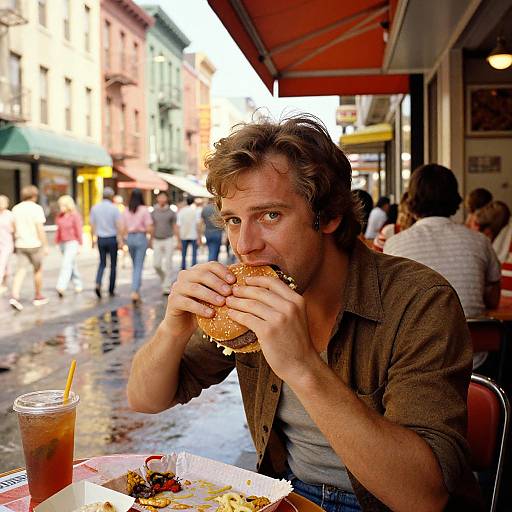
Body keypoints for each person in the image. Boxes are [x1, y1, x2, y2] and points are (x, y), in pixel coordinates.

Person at [127, 117, 482, 511]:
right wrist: (173, 327)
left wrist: (302, 366)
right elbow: (145, 399)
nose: (245, 245)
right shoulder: (245, 304)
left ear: (328, 216)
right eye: (233, 220)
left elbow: (423, 497)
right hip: (286, 494)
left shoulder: (420, 301)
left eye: (270, 216)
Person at [384, 164, 501, 319]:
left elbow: (392, 301)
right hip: (475, 339)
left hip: (419, 340)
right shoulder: (481, 241)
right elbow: (493, 299)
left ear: (411, 200)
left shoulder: (394, 244)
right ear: (454, 199)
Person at [9, 186, 49, 311]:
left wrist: (15, 241)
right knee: (37, 270)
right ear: (34, 196)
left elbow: (13, 228)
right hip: (34, 244)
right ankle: (38, 296)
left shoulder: (16, 208)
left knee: (20, 270)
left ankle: (15, 296)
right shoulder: (36, 209)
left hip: (20, 244)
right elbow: (40, 229)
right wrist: (45, 245)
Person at [121, 189, 153, 304]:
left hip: (130, 238)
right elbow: (149, 227)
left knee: (135, 265)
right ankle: (134, 291)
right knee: (138, 266)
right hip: (140, 237)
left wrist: (122, 241)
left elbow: (123, 228)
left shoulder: (126, 210)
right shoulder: (144, 210)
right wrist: (150, 239)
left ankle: (137, 290)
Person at [89, 187, 122, 298]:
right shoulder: (114, 208)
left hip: (101, 238)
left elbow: (92, 225)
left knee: (102, 263)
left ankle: (98, 283)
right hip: (112, 239)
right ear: (112, 196)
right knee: (113, 265)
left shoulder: (95, 208)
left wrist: (92, 240)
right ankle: (111, 289)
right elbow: (118, 225)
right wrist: (121, 240)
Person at [55, 195, 83, 297]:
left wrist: (80, 244)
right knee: (72, 264)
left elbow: (79, 230)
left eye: (62, 205)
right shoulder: (59, 216)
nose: (60, 208)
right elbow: (58, 230)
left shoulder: (75, 216)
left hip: (72, 242)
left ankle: (61, 286)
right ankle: (78, 283)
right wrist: (57, 243)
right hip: (63, 243)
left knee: (66, 264)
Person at [151, 191, 178, 295]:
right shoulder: (153, 211)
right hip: (157, 239)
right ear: (157, 199)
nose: (162, 199)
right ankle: (164, 280)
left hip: (168, 239)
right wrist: (150, 239)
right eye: (160, 197)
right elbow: (152, 226)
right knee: (156, 264)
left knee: (168, 263)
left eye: (163, 197)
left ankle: (166, 286)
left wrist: (178, 240)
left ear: (166, 199)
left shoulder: (171, 212)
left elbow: (175, 226)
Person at [176, 196, 201, 269]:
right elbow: (198, 225)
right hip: (193, 234)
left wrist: (178, 240)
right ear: (193, 201)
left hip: (183, 234)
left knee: (183, 254)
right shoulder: (195, 211)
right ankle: (194, 268)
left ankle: (183, 267)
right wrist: (199, 237)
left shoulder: (181, 211)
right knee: (194, 253)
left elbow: (178, 225)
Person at [200, 197, 224, 262]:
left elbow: (201, 223)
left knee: (211, 250)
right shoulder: (218, 209)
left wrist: (201, 234)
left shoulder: (205, 209)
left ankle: (213, 264)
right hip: (217, 232)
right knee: (215, 251)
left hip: (208, 232)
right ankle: (212, 265)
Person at [0, 195, 15, 296]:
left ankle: (3, 283)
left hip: (7, 243)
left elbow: (14, 230)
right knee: (4, 265)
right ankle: (3, 284)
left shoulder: (10, 215)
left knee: (3, 263)